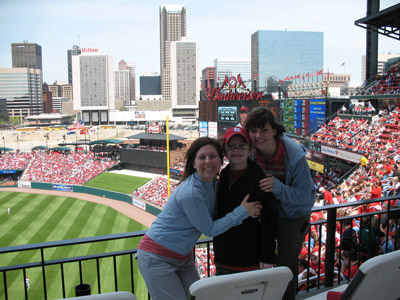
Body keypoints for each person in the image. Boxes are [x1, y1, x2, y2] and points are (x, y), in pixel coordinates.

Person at [135, 137, 262, 300]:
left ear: (220, 160)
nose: (208, 161)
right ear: (194, 164)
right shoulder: (191, 192)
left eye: (212, 156)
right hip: (157, 257)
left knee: (200, 297)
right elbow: (209, 230)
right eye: (202, 157)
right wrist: (243, 212)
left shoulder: (214, 183)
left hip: (183, 257)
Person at [245, 107, 316, 300]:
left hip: (293, 215)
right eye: (253, 131)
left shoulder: (294, 156)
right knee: (257, 259)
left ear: (275, 130)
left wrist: (278, 188)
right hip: (268, 212)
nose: (258, 136)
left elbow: (305, 197)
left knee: (286, 265)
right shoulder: (250, 153)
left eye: (264, 130)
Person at [213, 127, 278, 275]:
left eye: (242, 146)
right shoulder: (223, 175)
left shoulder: (259, 179)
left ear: (250, 149)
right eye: (232, 146)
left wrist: (267, 255)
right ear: (225, 150)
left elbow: (271, 217)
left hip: (247, 259)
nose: (237, 150)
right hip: (222, 256)